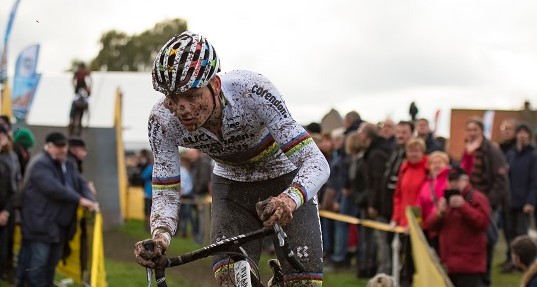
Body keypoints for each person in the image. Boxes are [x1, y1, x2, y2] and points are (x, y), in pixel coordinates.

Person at [133, 31, 330, 286]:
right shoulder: (162, 121)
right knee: (232, 282)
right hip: (232, 190)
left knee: (302, 284)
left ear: (215, 85)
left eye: (192, 96)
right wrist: (160, 237)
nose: (183, 109)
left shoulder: (252, 91)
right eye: (172, 98)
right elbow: (166, 189)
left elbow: (316, 162)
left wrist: (288, 200)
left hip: (285, 180)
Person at [16, 132, 99, 287]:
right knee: (36, 268)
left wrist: (92, 201)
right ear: (48, 146)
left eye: (64, 146)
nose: (62, 149)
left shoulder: (66, 164)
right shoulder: (39, 164)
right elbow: (54, 189)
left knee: (48, 267)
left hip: (56, 226)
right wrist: (81, 200)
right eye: (58, 146)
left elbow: (81, 183)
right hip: (39, 224)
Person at [460, 117, 509, 286]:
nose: (472, 133)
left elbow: (501, 180)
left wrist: (489, 201)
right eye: (469, 130)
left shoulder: (491, 151)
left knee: (488, 239)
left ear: (481, 131)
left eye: (475, 129)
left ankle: (485, 277)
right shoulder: (467, 150)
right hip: (469, 201)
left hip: (486, 202)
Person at [425, 166, 490, 287]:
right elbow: (430, 226)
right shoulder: (445, 200)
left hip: (469, 265)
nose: (454, 184)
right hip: (448, 264)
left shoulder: (476, 197)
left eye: (457, 180)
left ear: (466, 181)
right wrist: (439, 214)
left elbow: (482, 223)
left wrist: (463, 207)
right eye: (451, 180)